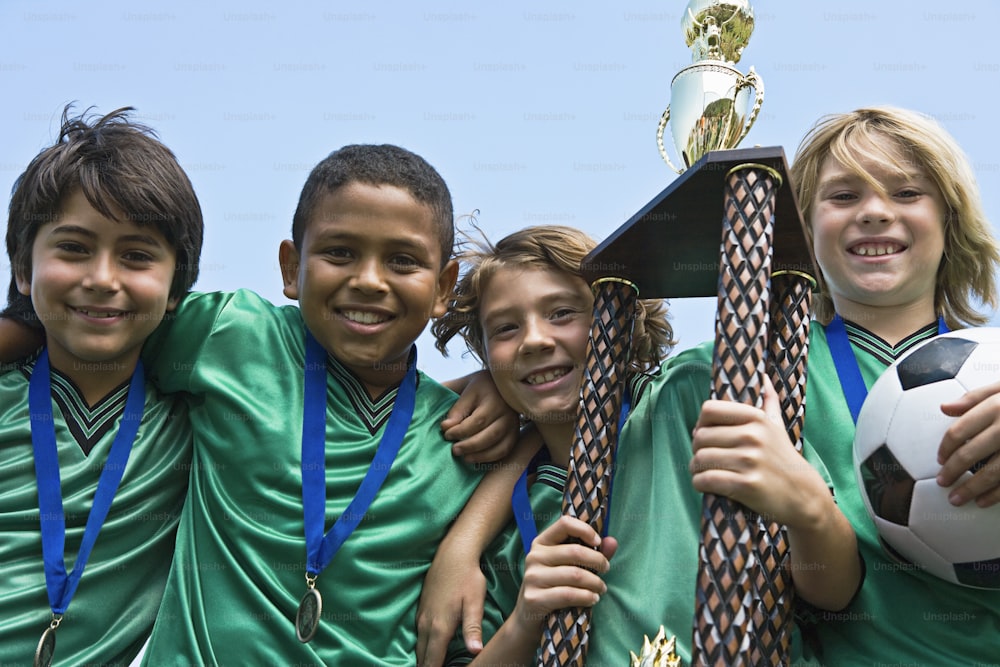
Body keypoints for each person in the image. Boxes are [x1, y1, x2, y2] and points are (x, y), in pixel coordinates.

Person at [126, 143, 515, 665]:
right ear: (291, 268)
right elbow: (85, 321)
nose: (369, 281)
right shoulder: (230, 336)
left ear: (444, 287)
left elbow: (572, 408)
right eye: (339, 253)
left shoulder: (463, 436)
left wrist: (511, 393)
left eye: (402, 261)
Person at [424, 225, 861, 666]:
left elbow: (835, 591)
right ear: (484, 355)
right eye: (505, 328)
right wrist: (525, 621)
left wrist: (806, 504)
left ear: (622, 318)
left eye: (561, 313)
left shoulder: (696, 393)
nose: (534, 340)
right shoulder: (501, 530)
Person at [784, 106, 1000, 664]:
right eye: (843, 196)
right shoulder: (758, 370)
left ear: (951, 221)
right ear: (804, 230)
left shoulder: (994, 362)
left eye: (907, 193)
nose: (875, 212)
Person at [0, 106, 203, 665]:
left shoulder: (199, 421)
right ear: (24, 268)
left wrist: (474, 381)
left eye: (136, 256)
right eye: (73, 248)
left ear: (176, 288)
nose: (102, 279)